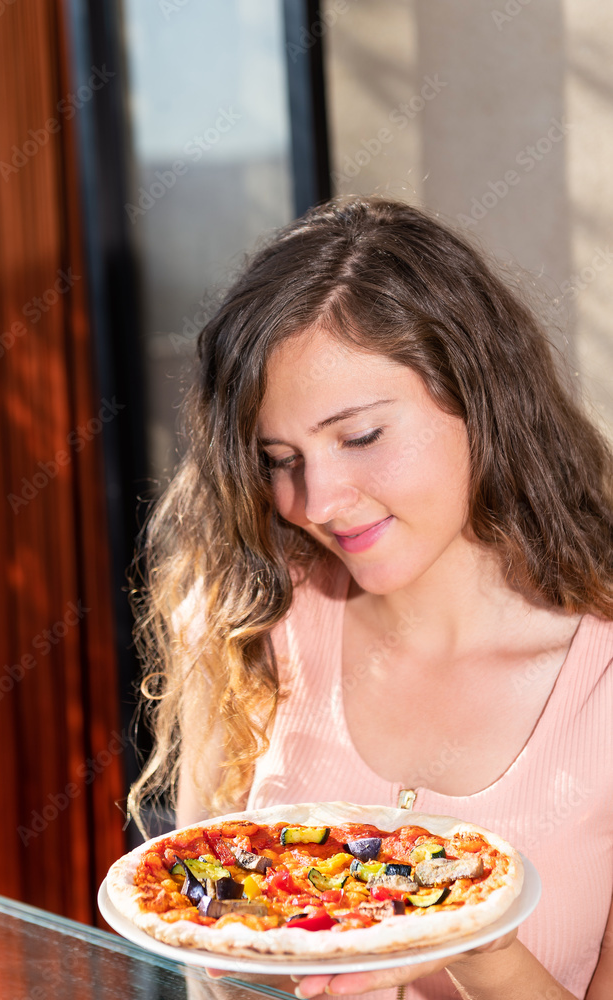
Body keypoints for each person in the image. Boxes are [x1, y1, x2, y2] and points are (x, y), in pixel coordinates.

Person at [128, 197, 613, 999]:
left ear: (478, 393)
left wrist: (475, 944)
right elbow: (209, 967)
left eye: (358, 437)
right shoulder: (248, 619)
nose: (316, 501)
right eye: (279, 457)